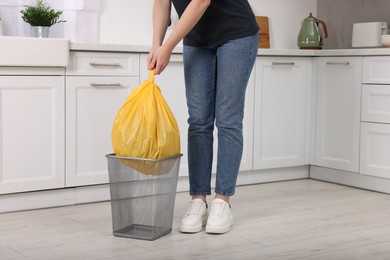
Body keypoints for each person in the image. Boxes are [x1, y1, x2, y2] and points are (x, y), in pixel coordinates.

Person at [147, 0, 259, 234]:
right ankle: (198, 200)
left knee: (228, 120)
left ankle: (222, 201)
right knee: (198, 122)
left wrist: (167, 47)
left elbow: (201, 1)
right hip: (196, 38)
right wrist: (156, 45)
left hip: (236, 34)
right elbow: (161, 3)